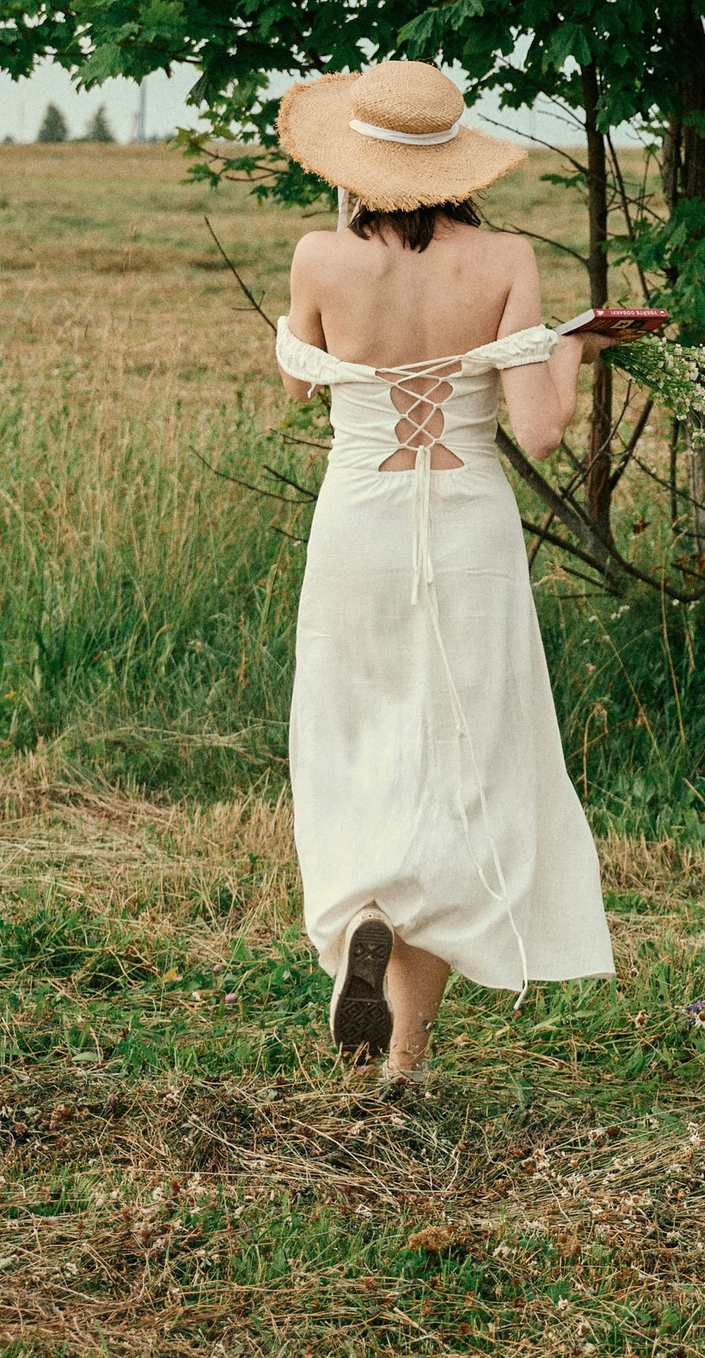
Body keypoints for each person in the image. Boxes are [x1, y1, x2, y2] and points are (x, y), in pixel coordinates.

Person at [273, 56, 621, 1085]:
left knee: (356, 741)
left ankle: (362, 920)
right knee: (462, 762)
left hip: (359, 525)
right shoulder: (505, 256)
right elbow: (541, 429)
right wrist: (573, 348)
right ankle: (407, 1061)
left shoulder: (319, 256)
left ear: (358, 164)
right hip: (467, 526)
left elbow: (300, 385)